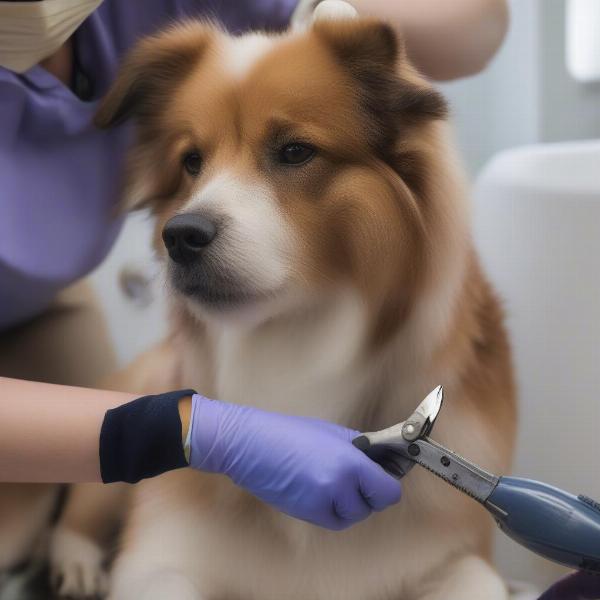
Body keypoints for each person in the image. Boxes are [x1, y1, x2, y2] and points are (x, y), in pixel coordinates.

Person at [0, 0, 510, 582]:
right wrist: (205, 433)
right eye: (194, 161)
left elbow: (476, 26)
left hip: (38, 309)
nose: (191, 216)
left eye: (292, 151)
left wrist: (340, 15)